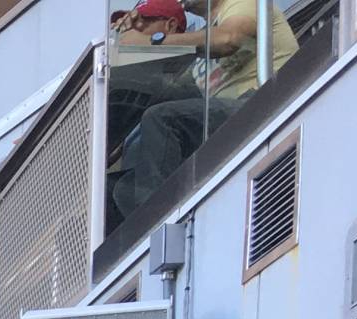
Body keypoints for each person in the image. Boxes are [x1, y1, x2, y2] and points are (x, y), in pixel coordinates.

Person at [112, 0, 296, 222]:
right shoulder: (201, 40)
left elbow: (230, 39)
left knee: (162, 119)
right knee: (120, 189)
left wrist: (152, 40)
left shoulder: (243, 3)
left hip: (264, 102)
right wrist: (121, 41)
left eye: (146, 22)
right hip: (229, 121)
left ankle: (155, 226)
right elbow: (164, 92)